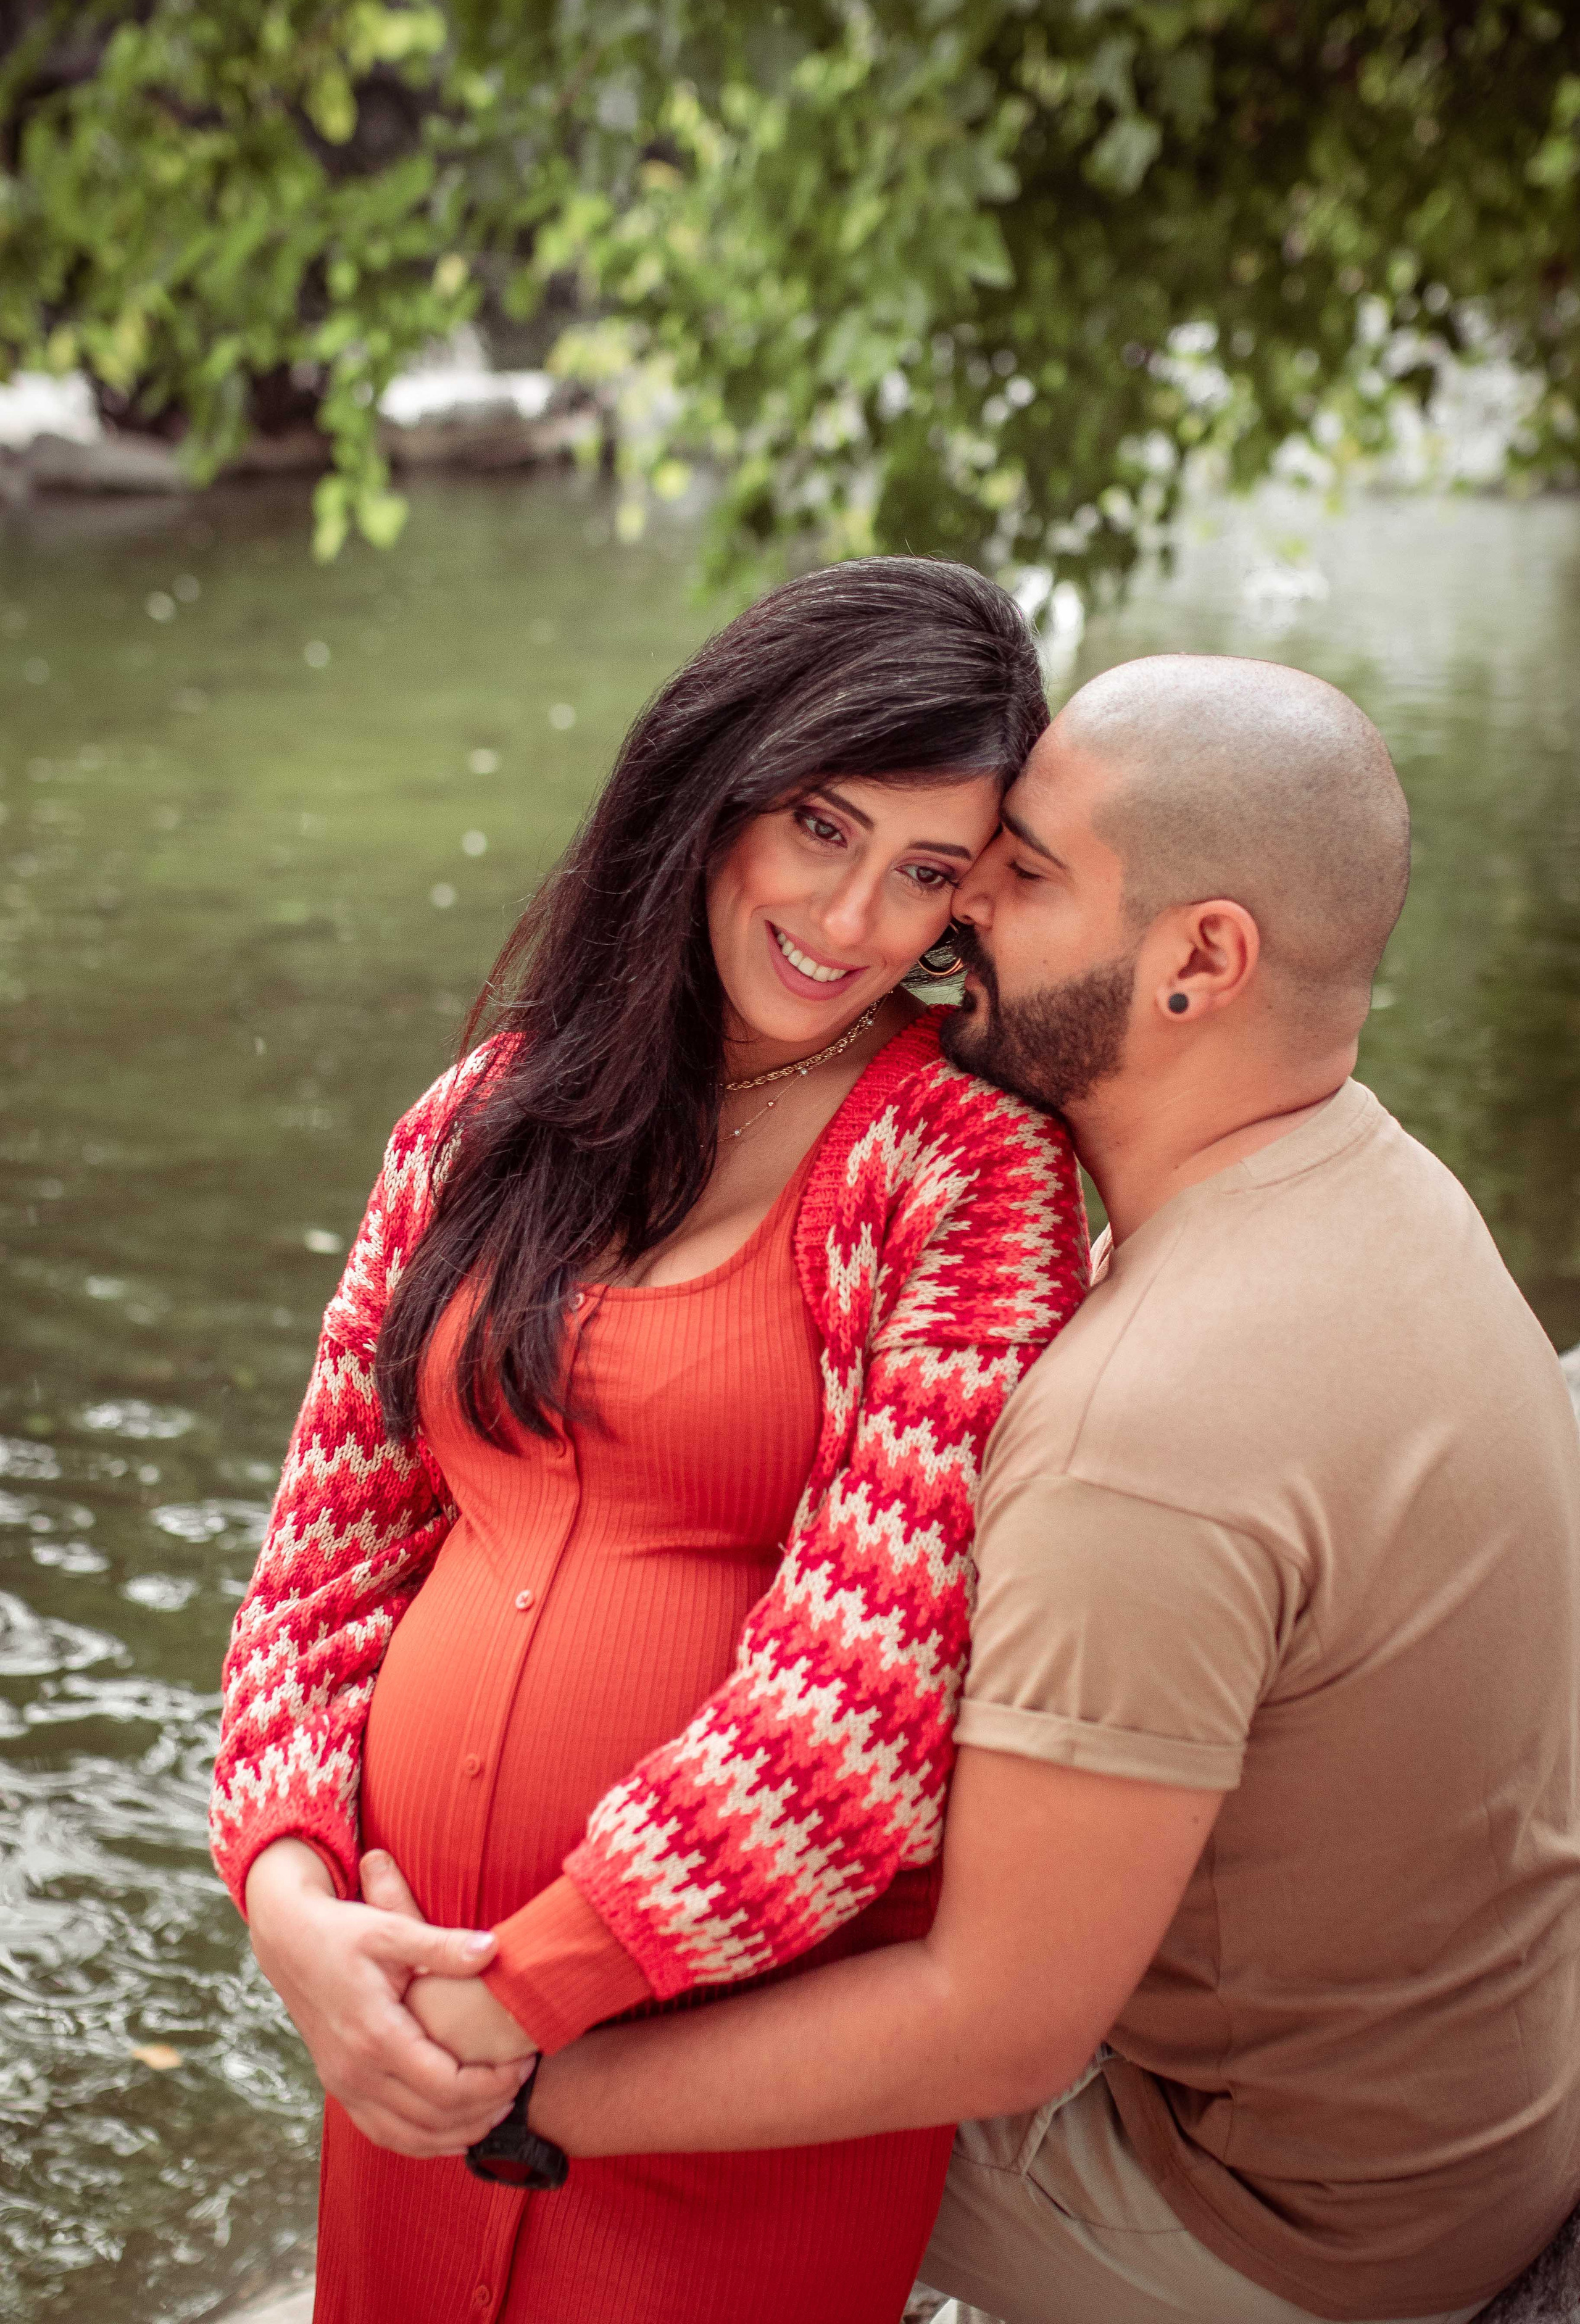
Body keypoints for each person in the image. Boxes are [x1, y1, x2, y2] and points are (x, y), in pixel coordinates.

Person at [433, 652, 1580, 2324]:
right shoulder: (1365, 1178)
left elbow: (1001, 2025)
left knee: (732, 2062)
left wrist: (539, 2098)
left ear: (1203, 960)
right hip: (1467, 2112)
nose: (953, 902)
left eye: (1023, 870)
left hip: (1274, 2225)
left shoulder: (1149, 1422)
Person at [208, 557, 1091, 2324]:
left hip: (696, 2099)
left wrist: (511, 1996)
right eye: (820, 829)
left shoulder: (972, 1175)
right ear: (715, 788)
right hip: (397, 2059)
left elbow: (869, 1705)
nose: (851, 921)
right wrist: (296, 1914)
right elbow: (320, 1561)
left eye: (928, 874)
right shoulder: (487, 1123)